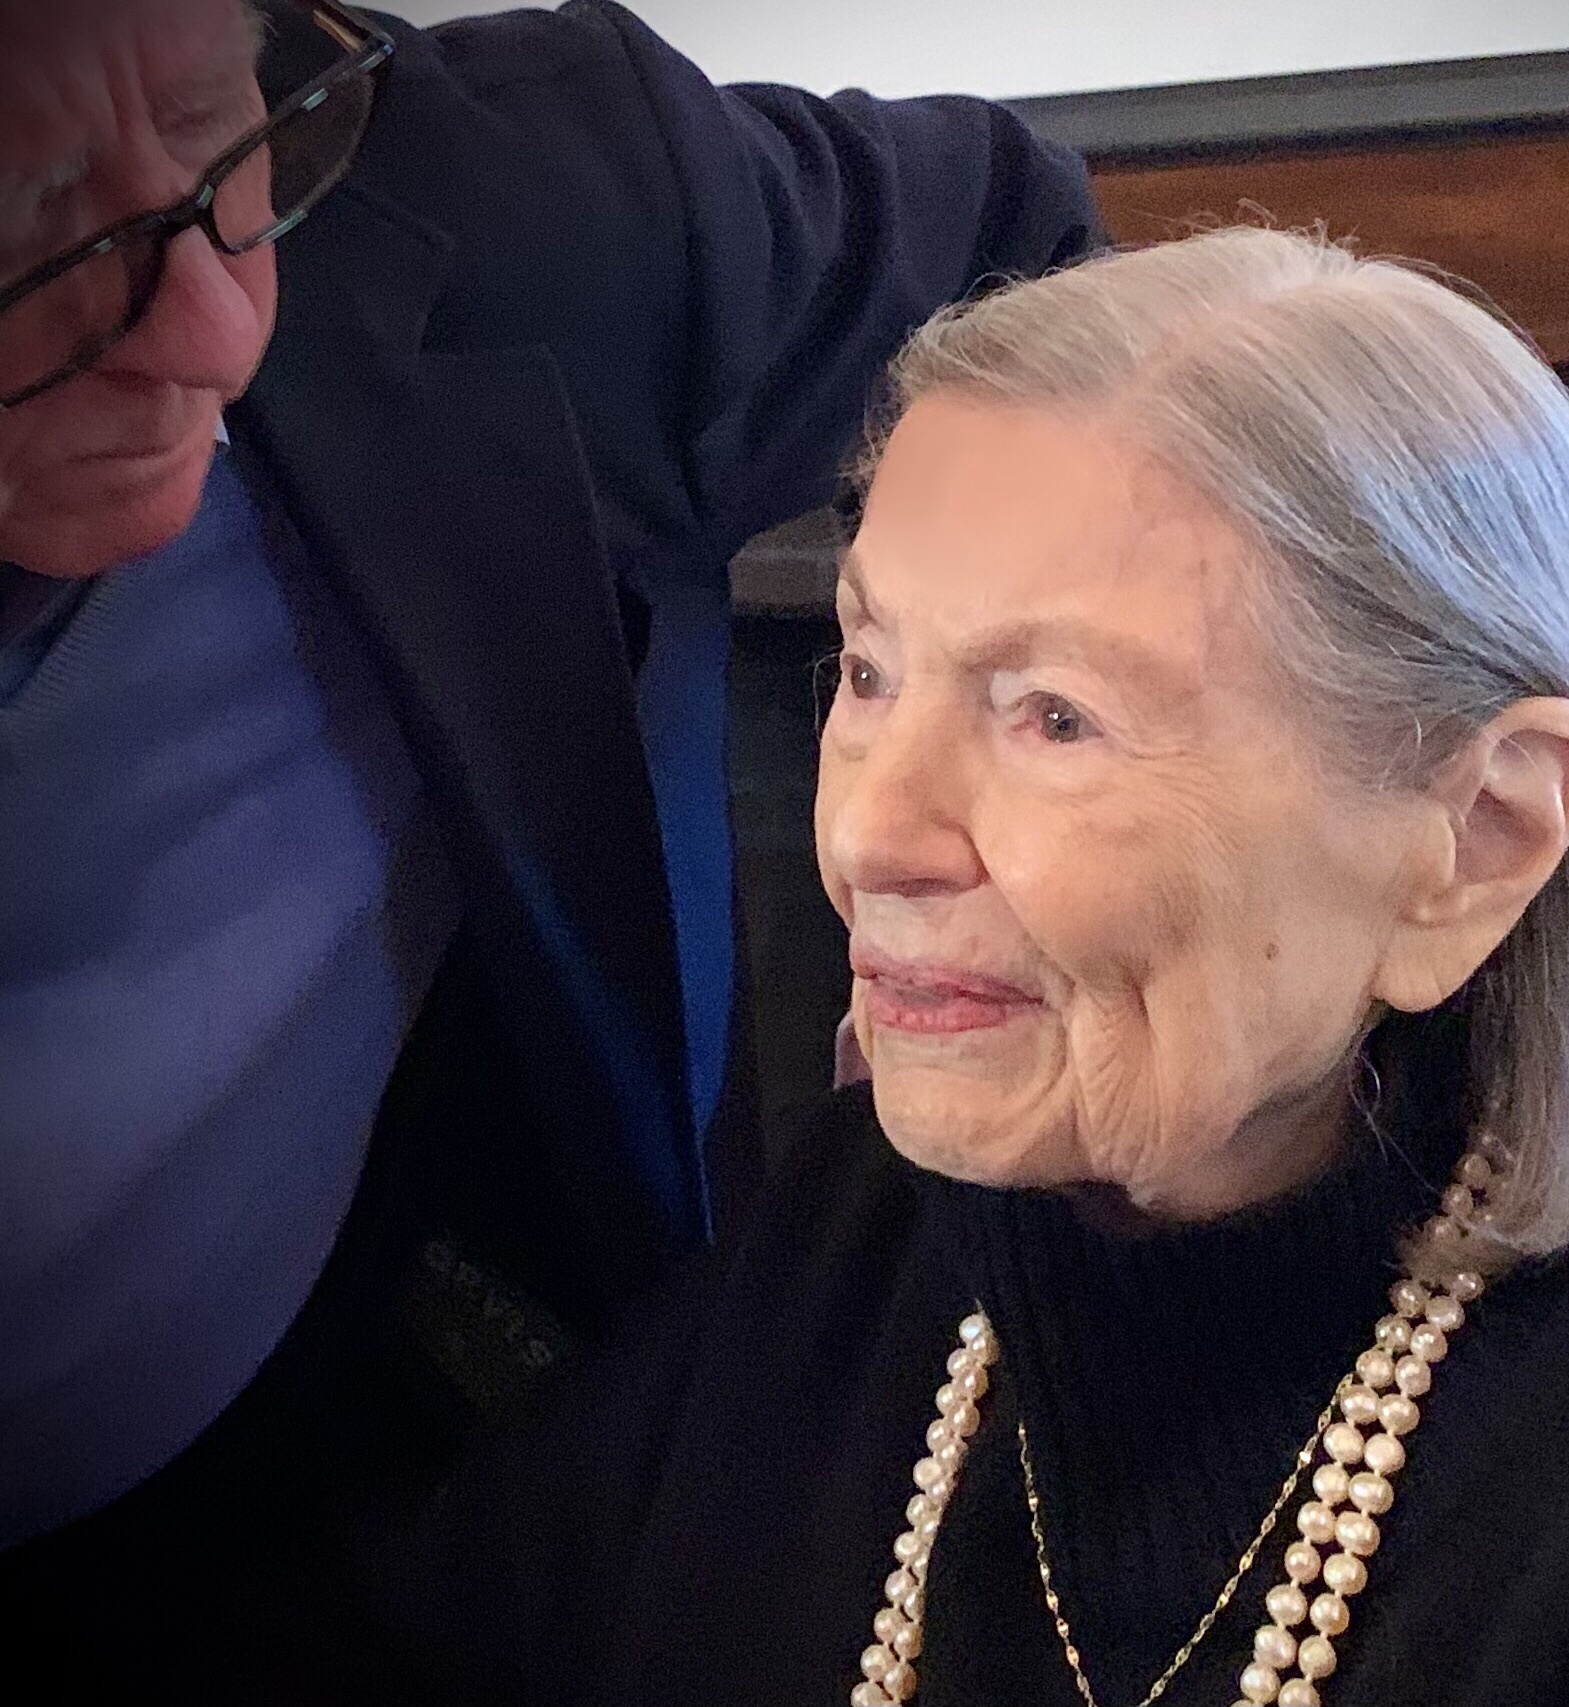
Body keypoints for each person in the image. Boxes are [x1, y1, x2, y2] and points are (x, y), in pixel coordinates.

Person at [391, 227, 1569, 1705]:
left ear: (1472, 840)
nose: (869, 838)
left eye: (1054, 716)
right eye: (868, 667)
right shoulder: (855, 1243)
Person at [0, 0, 1097, 1690]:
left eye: (223, 127)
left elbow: (1045, 264)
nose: (214, 325)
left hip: (404, 1486)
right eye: (27, 214)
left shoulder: (541, 204)